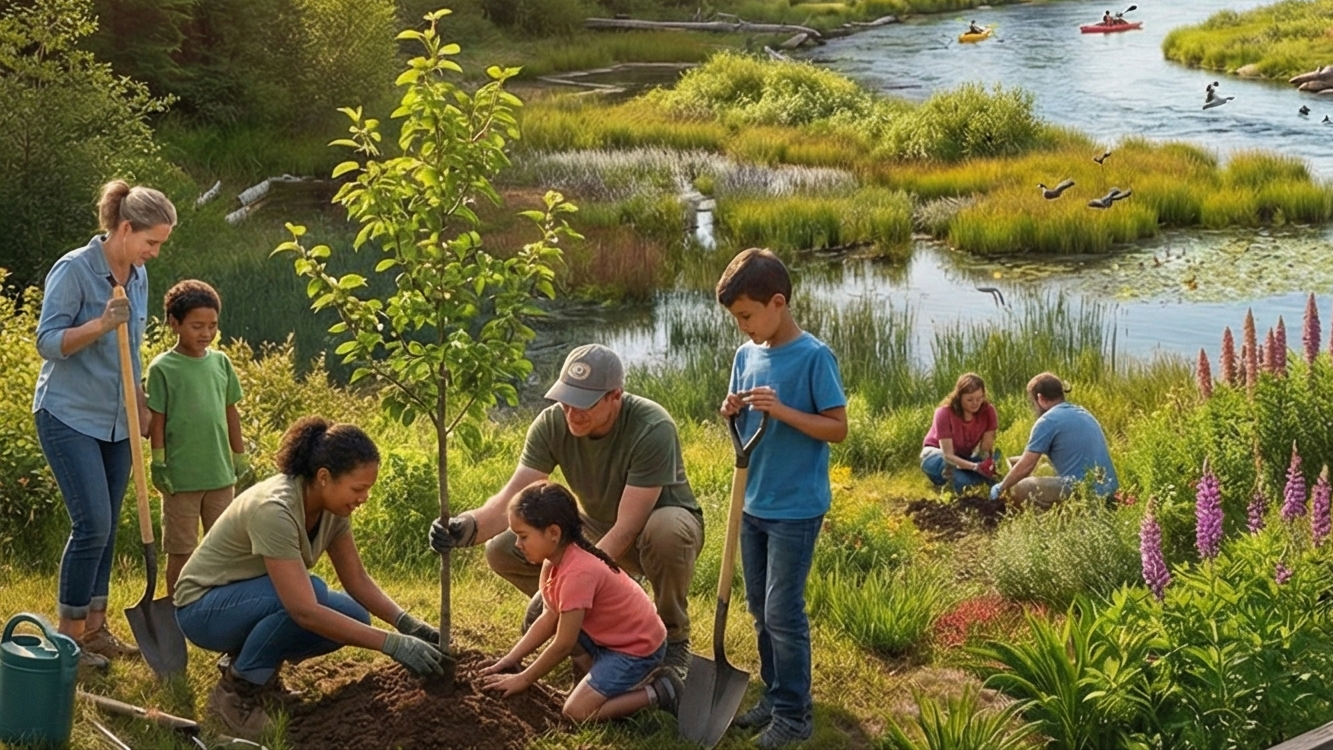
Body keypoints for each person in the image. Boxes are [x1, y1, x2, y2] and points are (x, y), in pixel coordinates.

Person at [429, 344, 703, 681]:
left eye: (584, 404)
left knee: (665, 532)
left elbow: (628, 526)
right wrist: (465, 526)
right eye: (566, 400)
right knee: (502, 548)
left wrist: (571, 579)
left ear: (615, 396)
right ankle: (590, 622)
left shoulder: (651, 426)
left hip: (651, 525)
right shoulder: (552, 424)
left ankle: (673, 639)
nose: (572, 413)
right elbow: (513, 498)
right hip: (595, 529)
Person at [175, 417, 447, 740]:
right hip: (203, 609)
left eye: (368, 489)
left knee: (354, 615)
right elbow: (303, 610)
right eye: (358, 488)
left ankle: (259, 671)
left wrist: (406, 624)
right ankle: (237, 693)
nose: (364, 497)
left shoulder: (333, 509)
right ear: (324, 477)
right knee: (309, 595)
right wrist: (393, 645)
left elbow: (356, 579)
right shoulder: (275, 509)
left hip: (250, 600)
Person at [33, 180, 176, 669]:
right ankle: (68, 642)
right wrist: (100, 324)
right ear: (126, 227)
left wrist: (141, 402)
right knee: (92, 522)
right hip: (68, 414)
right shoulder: (75, 269)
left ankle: (96, 631)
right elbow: (47, 342)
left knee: (109, 527)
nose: (154, 253)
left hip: (118, 419)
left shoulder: (137, 276)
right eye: (151, 242)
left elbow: (130, 349)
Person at [716, 248, 847, 749]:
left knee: (782, 612)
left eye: (747, 315)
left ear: (778, 302)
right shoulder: (745, 356)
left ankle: (795, 714)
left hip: (796, 507)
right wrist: (732, 410)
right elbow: (745, 421)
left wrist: (784, 410)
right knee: (759, 607)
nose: (743, 326)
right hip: (752, 503)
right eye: (737, 318)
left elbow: (837, 428)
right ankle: (774, 695)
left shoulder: (814, 356)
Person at [480, 481, 681, 722]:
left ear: (554, 533)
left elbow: (563, 644)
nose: (517, 544)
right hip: (608, 638)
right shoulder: (552, 561)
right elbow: (549, 617)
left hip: (636, 649)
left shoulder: (578, 573)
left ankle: (660, 690)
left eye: (523, 536)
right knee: (563, 626)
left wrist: (523, 680)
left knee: (576, 713)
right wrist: (511, 659)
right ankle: (598, 685)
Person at [146, 280, 246, 596]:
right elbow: (158, 420)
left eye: (212, 326)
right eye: (197, 326)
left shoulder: (221, 363)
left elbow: (230, 412)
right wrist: (158, 462)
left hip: (220, 475)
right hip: (180, 479)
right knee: (181, 550)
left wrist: (239, 456)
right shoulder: (163, 368)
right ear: (174, 323)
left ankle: (218, 605)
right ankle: (177, 607)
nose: (206, 333)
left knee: (224, 548)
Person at [989, 373, 1118, 509]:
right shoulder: (1082, 412)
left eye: (1033, 403)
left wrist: (1001, 487)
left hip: (1085, 490)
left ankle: (1050, 518)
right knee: (1040, 467)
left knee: (1023, 487)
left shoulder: (1047, 420)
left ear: (1040, 398)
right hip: (1109, 489)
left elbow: (1026, 467)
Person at [920, 373, 999, 492]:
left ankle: (961, 479)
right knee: (961, 479)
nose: (975, 403)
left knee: (991, 472)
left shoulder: (988, 411)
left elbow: (985, 450)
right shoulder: (944, 413)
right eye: (970, 399)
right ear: (959, 397)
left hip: (962, 457)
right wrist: (975, 467)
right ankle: (955, 481)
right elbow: (948, 455)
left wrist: (987, 465)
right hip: (937, 455)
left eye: (979, 398)